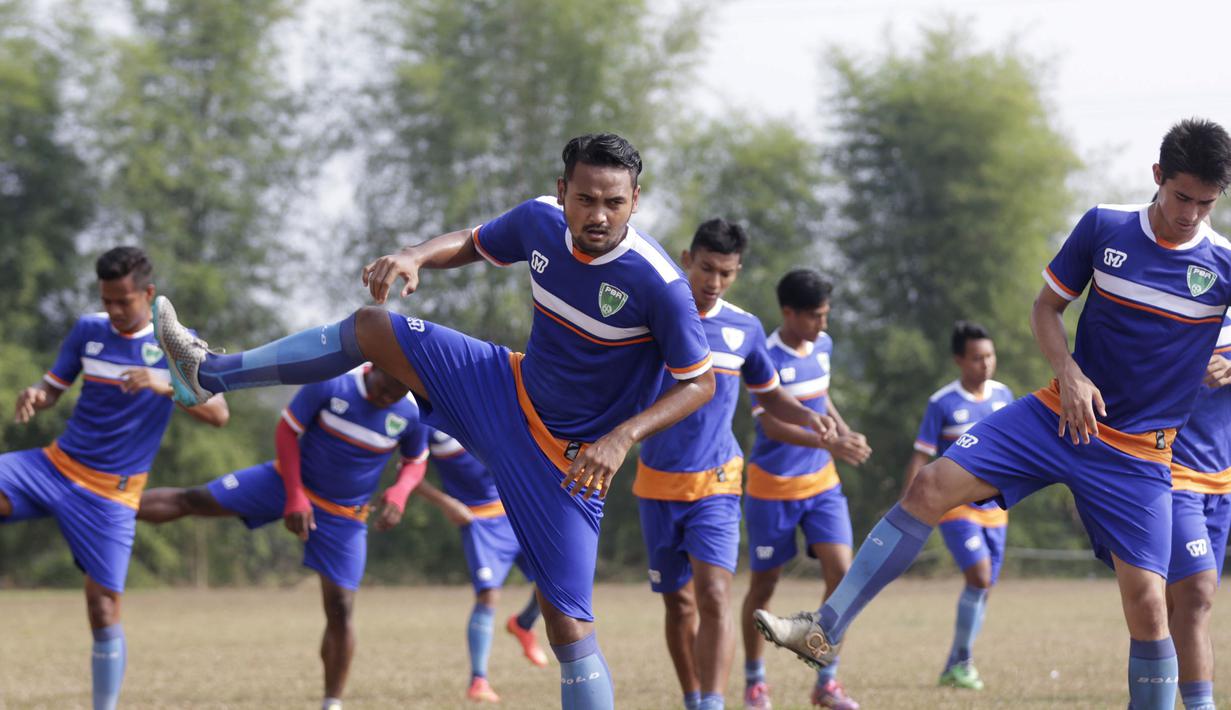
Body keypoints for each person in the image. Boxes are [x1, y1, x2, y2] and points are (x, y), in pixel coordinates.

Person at [155, 134, 814, 709]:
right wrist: (415, 255)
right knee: (373, 327)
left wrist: (621, 439)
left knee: (567, 626)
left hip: (566, 463)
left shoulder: (659, 286)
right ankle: (209, 374)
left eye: (614, 202)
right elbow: (472, 243)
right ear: (563, 191)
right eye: (586, 198)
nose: (598, 214)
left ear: (635, 201)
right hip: (503, 388)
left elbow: (700, 383)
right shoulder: (538, 221)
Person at [753, 118, 1231, 710]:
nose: (1190, 214)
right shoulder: (1105, 226)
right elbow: (1046, 308)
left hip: (1138, 454)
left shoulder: (1221, 263)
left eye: (1206, 203)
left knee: (1151, 607)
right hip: (1058, 417)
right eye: (1182, 197)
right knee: (928, 486)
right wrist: (1068, 371)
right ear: (1157, 176)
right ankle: (824, 629)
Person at [0, 247, 229, 710]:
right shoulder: (88, 329)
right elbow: (53, 387)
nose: (114, 310)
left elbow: (219, 414)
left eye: (123, 301)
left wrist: (163, 382)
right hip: (53, 467)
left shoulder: (180, 343)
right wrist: (36, 394)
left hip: (110, 494)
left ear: (148, 294)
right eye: (107, 300)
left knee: (102, 608)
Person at [138, 365, 428, 710]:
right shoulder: (332, 383)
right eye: (383, 387)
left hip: (343, 515)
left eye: (395, 394)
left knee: (341, 609)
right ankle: (112, 507)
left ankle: (332, 703)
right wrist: (295, 495)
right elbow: (287, 431)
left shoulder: (411, 412)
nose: (385, 397)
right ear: (375, 367)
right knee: (194, 500)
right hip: (285, 483)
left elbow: (415, 461)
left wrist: (400, 492)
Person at [633, 220, 838, 710]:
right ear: (687, 260)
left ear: (737, 272)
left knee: (714, 595)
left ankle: (713, 702)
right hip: (656, 484)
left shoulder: (744, 328)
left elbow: (770, 394)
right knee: (679, 604)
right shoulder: (651, 319)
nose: (714, 282)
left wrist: (810, 417)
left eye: (726, 273)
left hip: (718, 483)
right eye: (706, 268)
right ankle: (693, 699)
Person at [739, 269, 870, 710]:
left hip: (822, 484)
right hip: (771, 487)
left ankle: (826, 681)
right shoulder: (764, 355)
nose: (823, 324)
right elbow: (771, 424)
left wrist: (844, 434)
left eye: (825, 314)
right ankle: (755, 682)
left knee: (843, 575)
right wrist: (829, 442)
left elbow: (821, 397)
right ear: (788, 312)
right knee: (764, 586)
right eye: (815, 315)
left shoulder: (824, 345)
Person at [904, 322, 1014, 690]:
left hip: (996, 508)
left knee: (984, 587)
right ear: (959, 360)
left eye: (990, 356)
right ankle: (964, 661)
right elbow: (921, 456)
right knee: (979, 577)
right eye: (977, 358)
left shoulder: (1004, 396)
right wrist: (908, 509)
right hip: (956, 507)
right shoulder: (942, 402)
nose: (986, 364)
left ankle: (955, 662)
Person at [410, 427, 549, 703]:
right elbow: (409, 473)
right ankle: (478, 681)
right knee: (488, 595)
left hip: (517, 505)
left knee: (553, 579)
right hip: (480, 519)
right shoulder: (425, 421)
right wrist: (447, 503)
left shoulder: (491, 406)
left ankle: (523, 624)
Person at [1164, 319, 1231, 710]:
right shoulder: (1170, 305)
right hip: (1171, 474)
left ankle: (1148, 699)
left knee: (1177, 607)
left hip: (1222, 481)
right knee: (1198, 591)